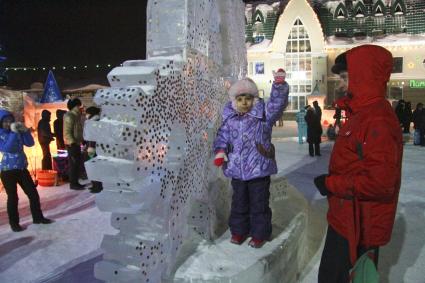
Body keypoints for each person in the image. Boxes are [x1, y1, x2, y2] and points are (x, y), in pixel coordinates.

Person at [313, 45, 403, 283]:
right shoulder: (362, 114)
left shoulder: (377, 120)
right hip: (346, 219)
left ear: (363, 75)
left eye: (345, 77)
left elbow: (381, 184)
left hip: (359, 227)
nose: (341, 84)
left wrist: (332, 184)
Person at [213, 73, 289, 248]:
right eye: (240, 98)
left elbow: (277, 105)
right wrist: (220, 152)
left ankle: (259, 234)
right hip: (237, 171)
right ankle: (239, 232)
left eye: (248, 98)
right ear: (234, 100)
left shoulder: (263, 117)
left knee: (259, 204)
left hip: (258, 170)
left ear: (254, 99)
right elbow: (222, 137)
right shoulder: (230, 120)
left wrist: (279, 86)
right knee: (239, 203)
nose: (244, 102)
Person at [0, 109, 53, 232]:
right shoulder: (1, 134)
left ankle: (38, 218)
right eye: (5, 121)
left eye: (10, 120)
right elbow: (7, 148)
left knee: (33, 194)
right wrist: (14, 133)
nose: (8, 123)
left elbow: (30, 143)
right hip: (7, 171)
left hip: (22, 169)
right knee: (13, 198)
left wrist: (24, 132)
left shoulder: (17, 131)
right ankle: (14, 224)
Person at [64, 98, 85, 190]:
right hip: (72, 144)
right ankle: (73, 183)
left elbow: (78, 131)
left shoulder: (76, 116)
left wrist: (82, 140)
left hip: (76, 143)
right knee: (73, 164)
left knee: (76, 164)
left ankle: (76, 182)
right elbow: (67, 131)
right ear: (75, 106)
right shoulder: (70, 116)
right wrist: (71, 142)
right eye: (79, 105)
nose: (81, 107)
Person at [84, 106, 103, 193]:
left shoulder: (95, 122)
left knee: (94, 167)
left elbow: (93, 136)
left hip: (94, 147)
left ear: (91, 114)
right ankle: (95, 184)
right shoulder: (93, 121)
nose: (86, 115)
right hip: (92, 146)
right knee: (93, 166)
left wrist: (90, 146)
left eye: (87, 113)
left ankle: (97, 186)